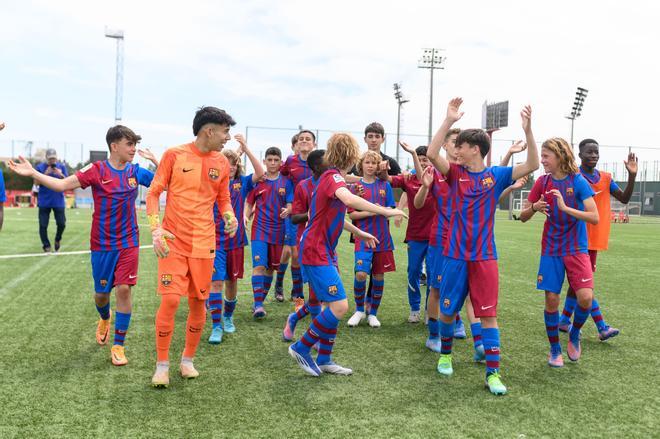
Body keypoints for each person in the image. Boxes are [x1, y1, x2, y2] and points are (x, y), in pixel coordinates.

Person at [9, 125, 158, 366]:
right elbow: (61, 185)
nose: (134, 149)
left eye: (135, 144)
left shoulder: (136, 171)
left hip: (129, 241)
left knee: (123, 289)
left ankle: (119, 345)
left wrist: (157, 163)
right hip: (102, 244)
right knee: (101, 295)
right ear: (114, 146)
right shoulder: (96, 170)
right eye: (129, 144)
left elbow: (166, 182)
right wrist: (33, 174)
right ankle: (104, 317)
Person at [425, 98, 539, 395]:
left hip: (485, 257)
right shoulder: (455, 174)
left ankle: (493, 373)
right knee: (448, 312)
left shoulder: (496, 176)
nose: (457, 150)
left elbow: (533, 164)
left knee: (488, 314)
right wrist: (448, 121)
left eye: (461, 146)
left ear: (474, 148)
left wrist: (528, 131)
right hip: (455, 256)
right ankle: (446, 355)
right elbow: (432, 152)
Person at [288, 133, 406, 377]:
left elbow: (335, 217)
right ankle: (301, 347)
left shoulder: (333, 177)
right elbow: (350, 199)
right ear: (351, 155)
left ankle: (325, 359)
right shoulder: (332, 178)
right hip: (315, 250)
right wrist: (386, 210)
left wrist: (360, 233)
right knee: (340, 306)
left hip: (323, 250)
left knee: (333, 305)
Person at [147, 106, 238, 388]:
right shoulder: (174, 155)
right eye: (225, 132)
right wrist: (156, 228)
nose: (227, 138)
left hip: (204, 243)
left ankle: (187, 361)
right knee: (171, 299)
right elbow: (153, 193)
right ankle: (162, 366)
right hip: (173, 240)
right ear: (209, 131)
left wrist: (229, 215)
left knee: (199, 301)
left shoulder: (222, 163)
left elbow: (223, 198)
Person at [520, 137, 598, 367]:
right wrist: (534, 207)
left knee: (585, 297)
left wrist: (566, 208)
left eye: (546, 156)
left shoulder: (579, 181)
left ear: (560, 156)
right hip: (551, 249)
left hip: (576, 248)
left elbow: (594, 217)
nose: (542, 160)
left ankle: (574, 334)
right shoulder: (542, 183)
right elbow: (522, 217)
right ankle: (555, 349)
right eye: (542, 156)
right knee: (552, 299)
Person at [557, 139, 638, 340]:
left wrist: (632, 176)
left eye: (596, 152)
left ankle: (565, 320)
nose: (593, 155)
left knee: (580, 284)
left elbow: (624, 198)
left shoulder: (605, 178)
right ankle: (601, 326)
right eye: (589, 152)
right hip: (576, 238)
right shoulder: (573, 177)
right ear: (580, 155)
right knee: (584, 284)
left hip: (595, 239)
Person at [207, 134, 264, 344]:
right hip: (214, 240)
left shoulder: (243, 183)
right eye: (225, 163)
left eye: (233, 164)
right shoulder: (212, 182)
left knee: (231, 282)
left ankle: (228, 317)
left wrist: (246, 149)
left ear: (237, 166)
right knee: (216, 282)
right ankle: (215, 326)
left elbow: (261, 172)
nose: (229, 167)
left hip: (236, 240)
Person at [346, 150, 397, 328]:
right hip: (363, 237)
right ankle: (359, 310)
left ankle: (372, 314)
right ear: (361, 165)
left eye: (373, 163)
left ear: (377, 167)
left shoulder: (385, 186)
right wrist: (374, 209)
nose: (369, 166)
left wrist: (382, 210)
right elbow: (352, 215)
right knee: (360, 273)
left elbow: (389, 210)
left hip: (382, 238)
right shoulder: (354, 188)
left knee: (378, 275)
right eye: (366, 162)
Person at [388, 143, 436, 323]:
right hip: (415, 235)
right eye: (421, 160)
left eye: (427, 160)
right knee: (413, 272)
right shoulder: (409, 178)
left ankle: (428, 310)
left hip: (435, 236)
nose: (423, 163)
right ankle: (414, 308)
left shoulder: (438, 178)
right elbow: (390, 180)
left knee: (432, 274)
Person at [282, 149, 326, 341]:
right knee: (316, 293)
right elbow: (294, 218)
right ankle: (315, 338)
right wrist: (312, 214)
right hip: (308, 243)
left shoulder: (332, 183)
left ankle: (295, 317)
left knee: (327, 294)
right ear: (316, 166)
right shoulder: (303, 186)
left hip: (328, 244)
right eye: (328, 161)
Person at [249, 146, 294, 318]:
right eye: (270, 160)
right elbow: (249, 202)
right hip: (259, 229)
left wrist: (288, 210)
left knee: (270, 269)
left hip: (278, 230)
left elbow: (290, 204)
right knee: (259, 266)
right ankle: (258, 305)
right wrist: (246, 216)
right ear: (264, 161)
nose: (273, 163)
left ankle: (259, 301)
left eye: (276, 160)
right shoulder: (258, 181)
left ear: (281, 162)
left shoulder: (286, 182)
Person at [276, 130, 316, 305]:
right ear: (296, 144)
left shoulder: (319, 160)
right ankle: (296, 291)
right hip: (295, 212)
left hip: (315, 212)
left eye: (308, 139)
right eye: (301, 139)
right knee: (293, 251)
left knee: (301, 252)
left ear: (314, 143)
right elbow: (280, 178)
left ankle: (302, 290)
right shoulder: (291, 161)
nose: (304, 141)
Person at [35, 148, 68, 252]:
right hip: (44, 201)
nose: (52, 161)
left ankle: (58, 239)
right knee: (43, 225)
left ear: (56, 158)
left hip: (58, 201)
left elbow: (67, 182)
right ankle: (46, 245)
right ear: (46, 158)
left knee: (62, 223)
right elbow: (36, 183)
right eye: (50, 159)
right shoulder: (40, 167)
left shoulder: (62, 167)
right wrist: (45, 174)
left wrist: (60, 174)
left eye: (54, 159)